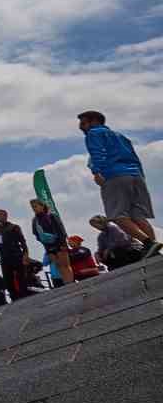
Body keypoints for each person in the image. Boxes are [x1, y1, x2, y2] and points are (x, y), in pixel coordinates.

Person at [79, 111, 157, 253]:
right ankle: (154, 251)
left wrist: (96, 172)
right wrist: (141, 176)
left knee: (117, 216)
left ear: (94, 121)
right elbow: (135, 157)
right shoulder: (121, 136)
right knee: (137, 216)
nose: (80, 127)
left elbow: (97, 153)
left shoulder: (94, 134)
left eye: (83, 123)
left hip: (114, 175)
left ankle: (148, 243)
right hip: (136, 175)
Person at [0, 210, 34, 300]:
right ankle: (14, 297)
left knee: (21, 277)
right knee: (7, 279)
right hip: (4, 258)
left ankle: (24, 296)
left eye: (0, 215)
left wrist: (26, 254)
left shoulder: (14, 227)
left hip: (17, 255)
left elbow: (22, 242)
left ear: (6, 216)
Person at [30, 199, 73, 287]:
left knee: (65, 265)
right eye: (33, 207)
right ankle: (66, 283)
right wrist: (45, 240)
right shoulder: (35, 220)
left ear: (42, 206)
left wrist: (62, 244)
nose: (34, 209)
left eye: (36, 206)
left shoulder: (51, 215)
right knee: (58, 265)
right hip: (48, 246)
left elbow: (61, 230)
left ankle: (71, 283)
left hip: (59, 243)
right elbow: (35, 233)